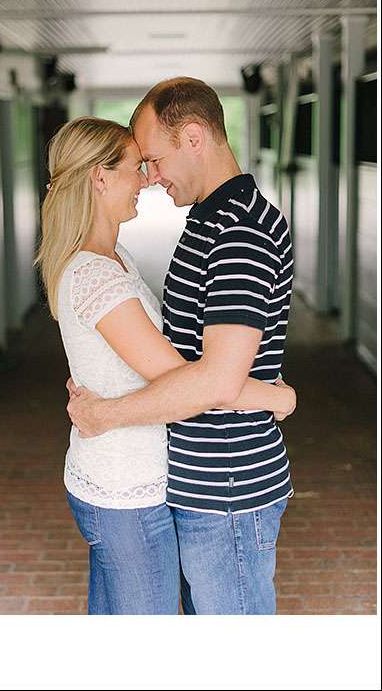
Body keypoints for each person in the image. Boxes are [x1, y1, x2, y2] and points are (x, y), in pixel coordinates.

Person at [35, 115, 295, 614]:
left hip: (146, 481)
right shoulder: (95, 273)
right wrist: (277, 396)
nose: (148, 179)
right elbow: (183, 377)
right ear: (100, 177)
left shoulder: (117, 258)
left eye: (150, 162)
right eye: (138, 166)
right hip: (125, 487)